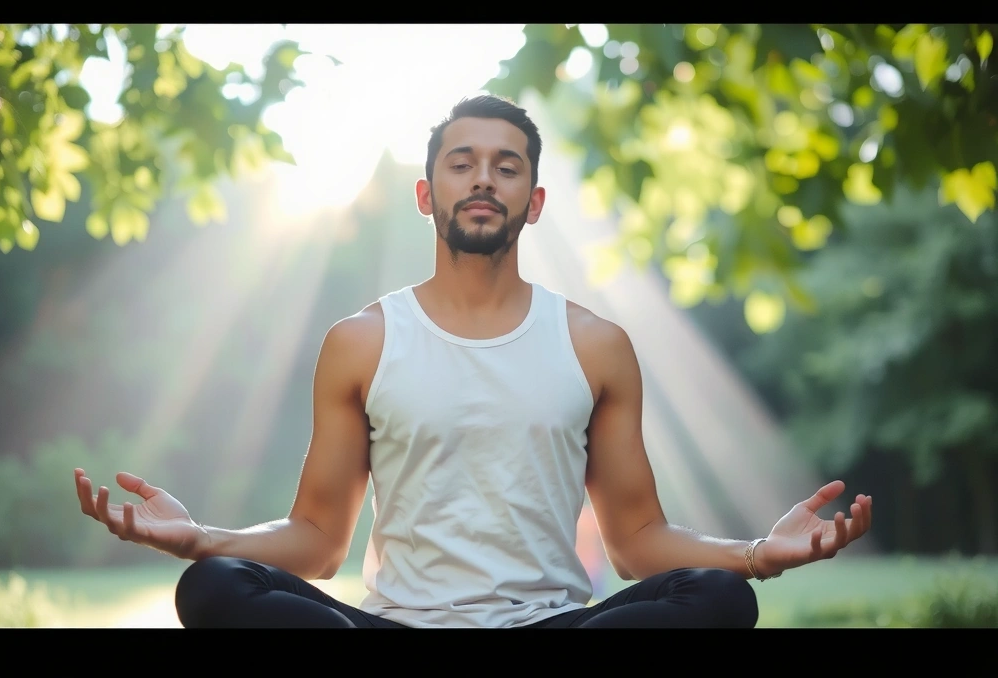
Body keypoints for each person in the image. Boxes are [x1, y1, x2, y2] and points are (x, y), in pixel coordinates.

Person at [74, 93, 873, 629]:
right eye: (461, 162)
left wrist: (754, 557)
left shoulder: (596, 345)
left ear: (534, 200)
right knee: (213, 589)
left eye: (507, 164)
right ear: (426, 195)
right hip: (398, 626)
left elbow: (634, 542)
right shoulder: (362, 340)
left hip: (551, 623)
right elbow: (319, 542)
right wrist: (198, 538)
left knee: (722, 599)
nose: (483, 177)